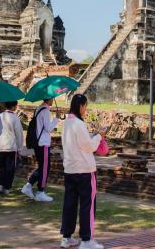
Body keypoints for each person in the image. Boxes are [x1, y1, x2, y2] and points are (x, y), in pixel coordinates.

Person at [60, 93, 104, 249]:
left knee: (70, 204)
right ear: (80, 106)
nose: (86, 109)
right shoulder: (78, 124)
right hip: (84, 170)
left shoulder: (67, 123)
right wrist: (99, 136)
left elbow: (77, 143)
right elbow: (89, 146)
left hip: (70, 169)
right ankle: (86, 240)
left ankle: (66, 237)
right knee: (87, 205)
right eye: (85, 106)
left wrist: (92, 136)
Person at [22, 97, 59, 202]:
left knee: (42, 166)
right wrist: (56, 118)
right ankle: (40, 191)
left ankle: (29, 185)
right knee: (45, 167)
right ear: (50, 99)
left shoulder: (39, 108)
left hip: (38, 142)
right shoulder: (46, 111)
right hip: (43, 142)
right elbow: (48, 128)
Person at [0, 100, 24, 195]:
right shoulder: (14, 117)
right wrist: (20, 148)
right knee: (10, 168)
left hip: (0, 146)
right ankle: (6, 187)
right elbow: (19, 134)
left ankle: (0, 185)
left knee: (2, 167)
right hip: (10, 147)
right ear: (13, 107)